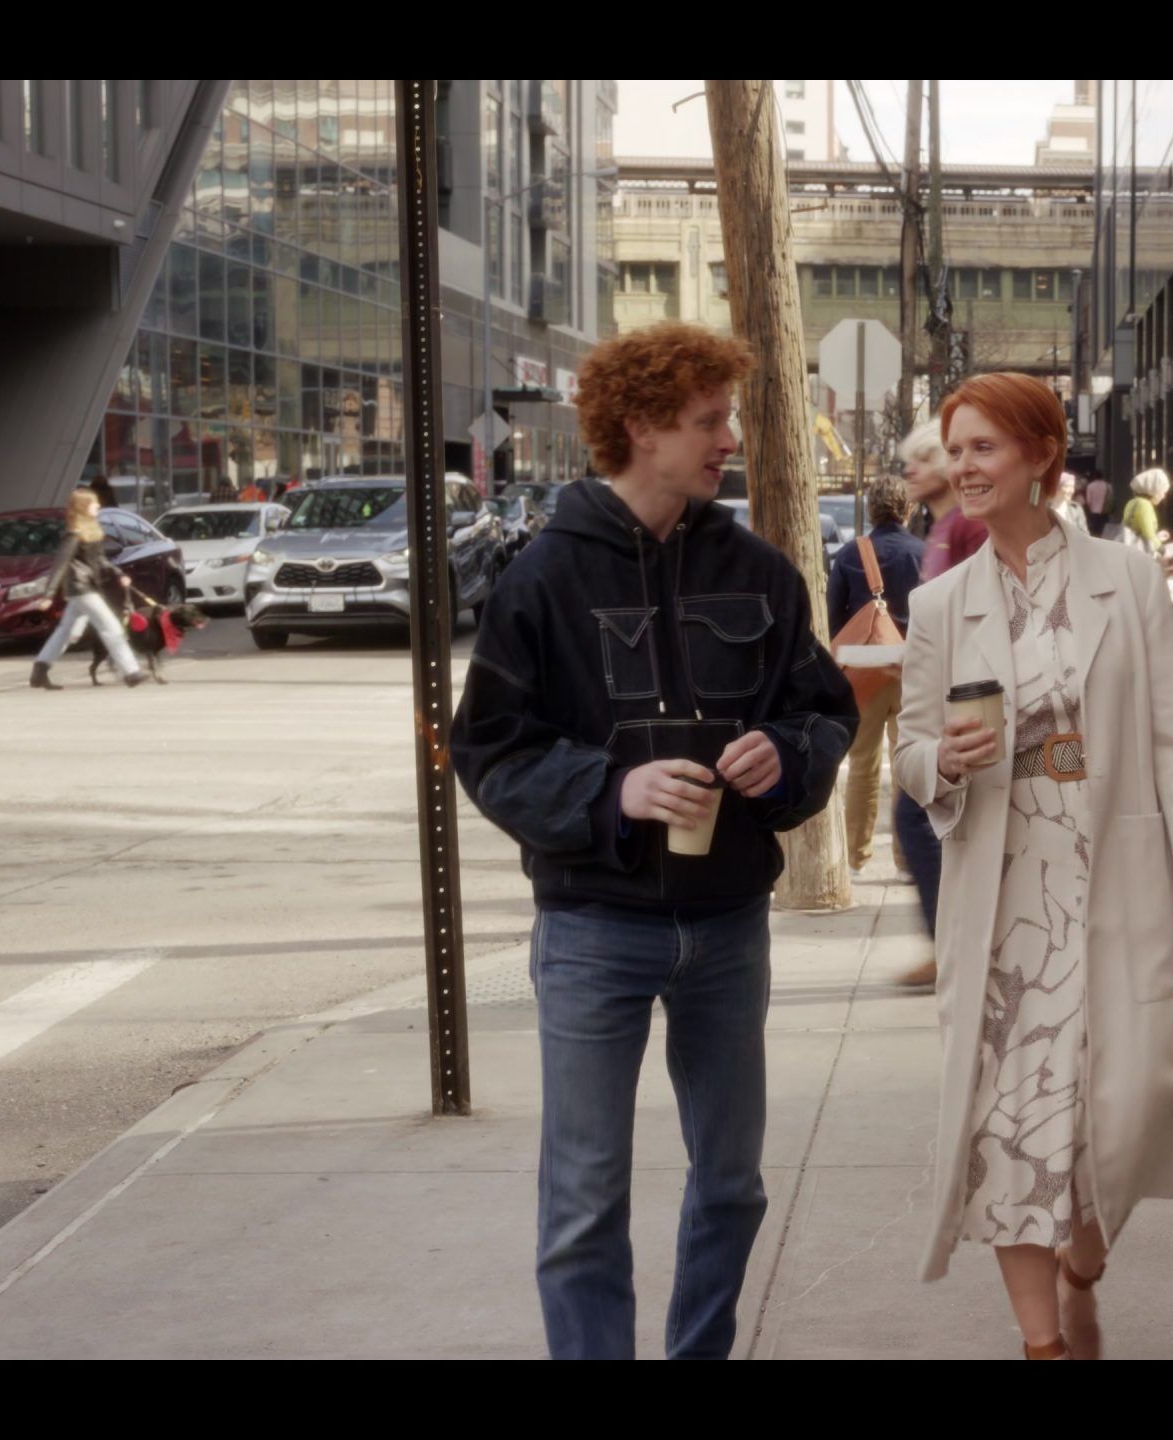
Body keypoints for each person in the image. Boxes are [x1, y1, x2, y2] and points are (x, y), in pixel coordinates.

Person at [450, 323, 858, 1361]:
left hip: (728, 926)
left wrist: (786, 752)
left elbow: (823, 710)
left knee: (731, 1184)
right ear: (640, 427)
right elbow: (491, 749)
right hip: (592, 929)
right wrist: (611, 787)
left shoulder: (761, 573)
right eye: (708, 420)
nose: (728, 438)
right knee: (585, 1196)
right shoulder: (540, 578)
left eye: (726, 417)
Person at [894, 371, 1173, 1359]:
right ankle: (1043, 1344)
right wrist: (943, 764)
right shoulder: (939, 607)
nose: (963, 468)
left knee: (1130, 1109)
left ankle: (1084, 1266)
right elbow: (912, 756)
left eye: (983, 449)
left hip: (1120, 885)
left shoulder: (1126, 577)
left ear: (1039, 457)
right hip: (1004, 901)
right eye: (955, 449)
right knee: (1008, 1125)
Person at [886, 421, 986, 988]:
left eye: (924, 459)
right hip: (937, 699)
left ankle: (953, 940)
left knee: (918, 817)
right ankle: (951, 939)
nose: (912, 471)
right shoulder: (944, 528)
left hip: (966, 698)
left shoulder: (967, 528)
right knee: (919, 815)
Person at [826, 479, 926, 877]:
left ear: (871, 509)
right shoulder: (923, 553)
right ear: (908, 509)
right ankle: (906, 861)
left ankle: (857, 858)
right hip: (911, 670)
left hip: (864, 671)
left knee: (862, 764)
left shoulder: (852, 553)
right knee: (907, 765)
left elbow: (835, 616)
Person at [31, 491, 145, 690]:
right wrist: (48, 594)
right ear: (83, 507)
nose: (98, 507)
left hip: (86, 587)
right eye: (94, 504)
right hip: (81, 587)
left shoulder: (92, 531)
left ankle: (39, 671)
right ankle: (131, 672)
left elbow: (100, 560)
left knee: (66, 632)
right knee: (111, 627)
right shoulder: (74, 534)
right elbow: (61, 564)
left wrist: (119, 574)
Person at [1123, 467, 1169, 555]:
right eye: (1163, 492)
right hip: (1138, 554)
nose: (1163, 496)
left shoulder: (1133, 502)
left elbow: (1138, 529)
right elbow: (1148, 535)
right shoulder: (1144, 505)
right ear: (1154, 491)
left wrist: (1158, 537)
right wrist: (1161, 549)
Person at [1081, 472, 1112, 538]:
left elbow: (1088, 501)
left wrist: (1089, 509)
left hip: (1093, 513)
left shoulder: (1090, 486)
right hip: (1104, 512)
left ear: (1094, 477)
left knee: (1094, 533)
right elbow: (1110, 499)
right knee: (1103, 532)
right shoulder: (1108, 486)